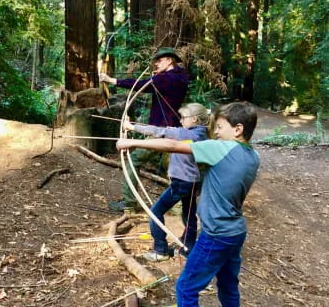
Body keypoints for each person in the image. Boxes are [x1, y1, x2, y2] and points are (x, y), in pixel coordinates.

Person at [116, 102, 260, 307]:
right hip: (235, 232)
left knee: (186, 287)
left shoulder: (222, 148)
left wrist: (132, 143)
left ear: (238, 129)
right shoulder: (254, 156)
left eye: (219, 127)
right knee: (228, 286)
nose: (216, 133)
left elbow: (174, 145)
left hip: (216, 234)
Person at [100, 47, 189, 211]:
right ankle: (179, 208)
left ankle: (129, 204)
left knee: (133, 160)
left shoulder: (166, 79)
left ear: (170, 60)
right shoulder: (180, 77)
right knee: (174, 168)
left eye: (160, 60)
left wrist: (112, 80)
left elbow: (140, 84)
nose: (156, 63)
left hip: (162, 132)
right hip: (174, 130)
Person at [123, 103, 211, 262]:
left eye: (184, 117)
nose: (181, 120)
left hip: (182, 183)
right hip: (193, 182)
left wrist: (131, 127)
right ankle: (188, 247)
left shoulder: (186, 134)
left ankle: (160, 250)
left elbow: (160, 131)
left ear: (195, 119)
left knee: (155, 212)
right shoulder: (200, 134)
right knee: (189, 214)